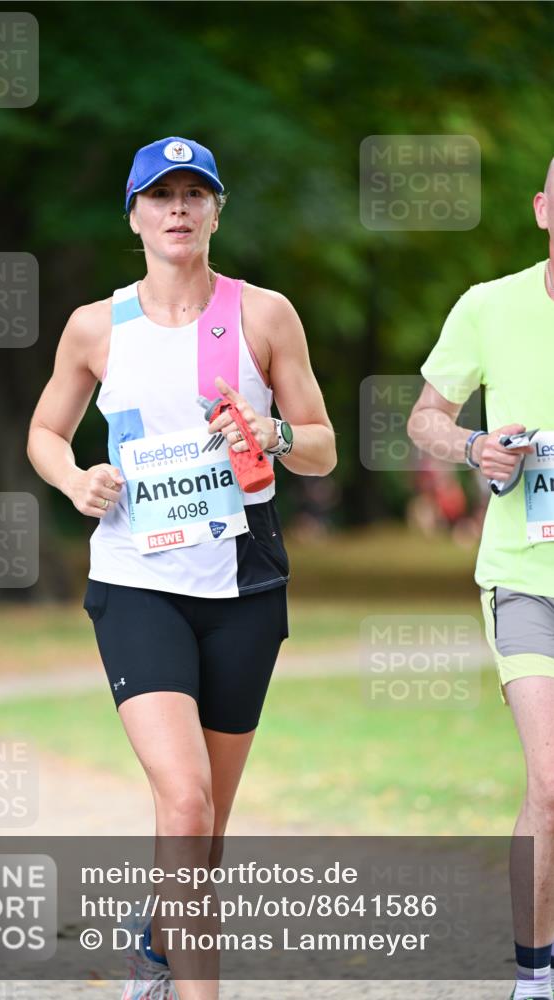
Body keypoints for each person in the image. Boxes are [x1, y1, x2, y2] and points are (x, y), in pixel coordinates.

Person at [26, 136, 336, 1000]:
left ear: (214, 211)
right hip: (136, 583)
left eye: (194, 193)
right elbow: (45, 432)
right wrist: (74, 478)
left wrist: (272, 434)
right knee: (188, 803)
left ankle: (157, 945)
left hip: (243, 585)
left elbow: (321, 448)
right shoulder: (98, 325)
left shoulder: (263, 314)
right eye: (159, 195)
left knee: (206, 821)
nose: (177, 207)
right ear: (133, 216)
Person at [407, 158, 554, 1000]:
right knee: (548, 783)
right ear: (541, 210)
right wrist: (473, 448)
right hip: (525, 578)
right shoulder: (488, 305)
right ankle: (532, 978)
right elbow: (425, 416)